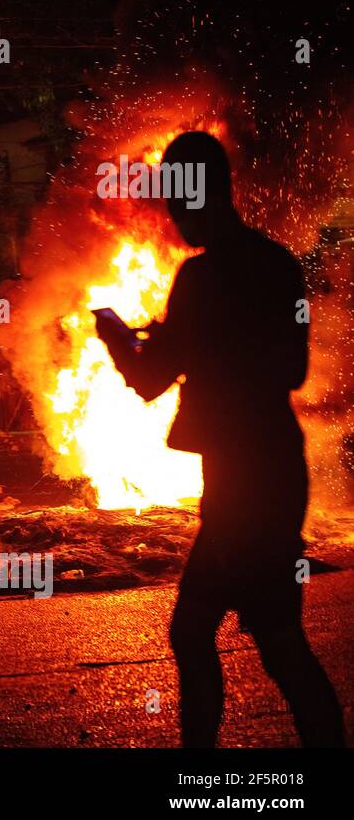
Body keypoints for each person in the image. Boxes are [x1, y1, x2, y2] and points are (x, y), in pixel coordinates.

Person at [95, 131, 344, 748]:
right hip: (275, 473)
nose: (173, 216)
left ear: (203, 194)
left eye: (178, 202)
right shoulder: (278, 263)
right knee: (280, 641)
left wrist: (115, 336)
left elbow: (151, 380)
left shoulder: (202, 277)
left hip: (243, 483)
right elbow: (291, 369)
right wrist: (197, 344)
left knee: (196, 629)